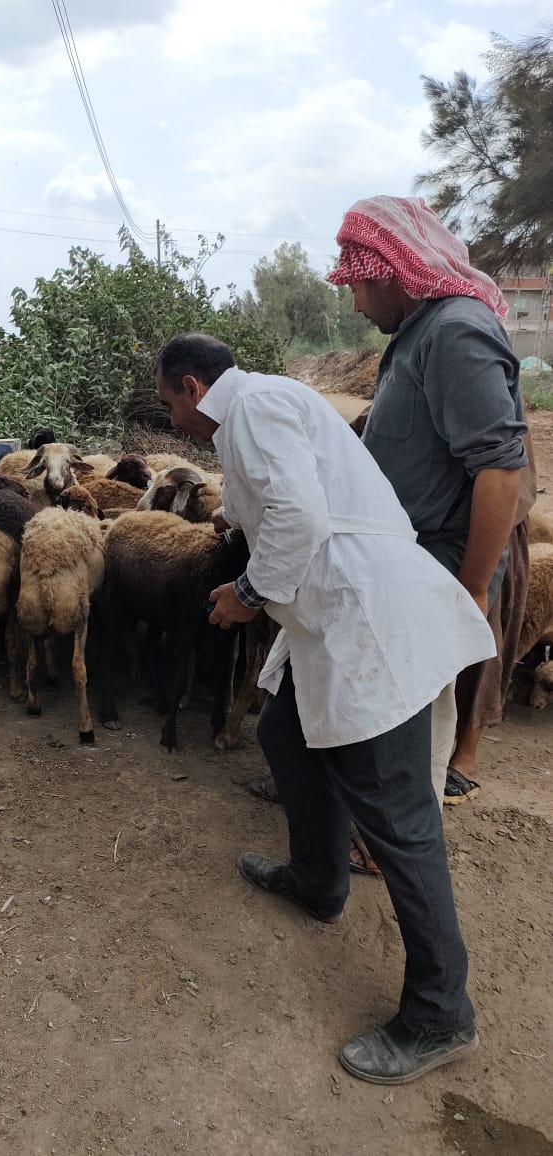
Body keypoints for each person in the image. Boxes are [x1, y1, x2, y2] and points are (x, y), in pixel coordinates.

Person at [155, 332, 495, 1086]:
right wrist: (225, 523)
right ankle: (318, 881)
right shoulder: (252, 412)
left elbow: (300, 516)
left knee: (398, 817)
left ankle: (441, 1013)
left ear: (191, 386)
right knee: (283, 731)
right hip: (330, 614)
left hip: (364, 615)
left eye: (168, 403)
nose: (171, 420)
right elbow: (265, 499)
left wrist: (245, 595)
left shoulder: (254, 407)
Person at [327, 195, 532, 804]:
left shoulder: (456, 332)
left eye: (357, 284)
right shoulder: (419, 333)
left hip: (431, 568)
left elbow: (500, 469)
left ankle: (388, 834)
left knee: (401, 730)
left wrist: (470, 588)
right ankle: (357, 824)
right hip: (402, 561)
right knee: (380, 715)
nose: (355, 302)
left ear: (390, 270)